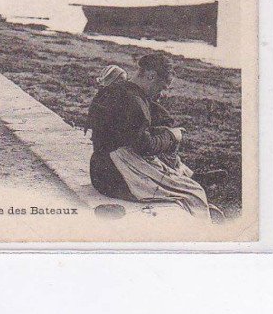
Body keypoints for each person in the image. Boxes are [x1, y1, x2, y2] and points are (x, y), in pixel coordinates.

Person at [86, 55, 211, 219]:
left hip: (100, 169)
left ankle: (188, 177)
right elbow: (145, 146)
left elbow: (124, 134)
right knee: (194, 192)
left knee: (181, 182)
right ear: (151, 76)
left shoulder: (115, 91)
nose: (162, 93)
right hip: (115, 176)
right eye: (162, 86)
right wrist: (171, 136)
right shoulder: (132, 100)